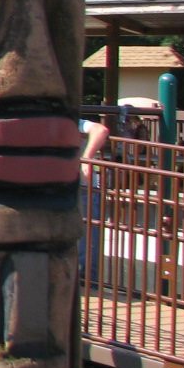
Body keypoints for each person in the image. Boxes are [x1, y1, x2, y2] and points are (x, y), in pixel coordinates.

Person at [78, 115, 111, 287]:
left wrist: (86, 159)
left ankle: (88, 284)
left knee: (88, 241)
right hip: (57, 188)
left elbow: (100, 130)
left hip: (82, 188)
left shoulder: (71, 121)